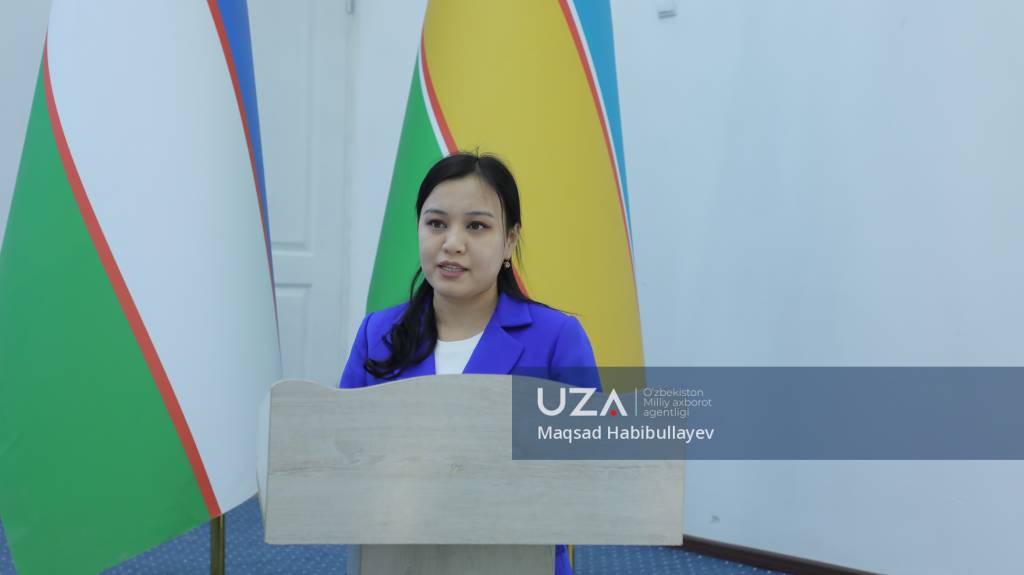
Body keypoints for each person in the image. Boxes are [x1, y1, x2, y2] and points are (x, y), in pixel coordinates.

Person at [339, 152, 600, 575]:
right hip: (396, 560)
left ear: (510, 240)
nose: (453, 243)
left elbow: (590, 469)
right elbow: (338, 454)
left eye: (476, 226)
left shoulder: (557, 338)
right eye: (436, 224)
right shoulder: (378, 333)